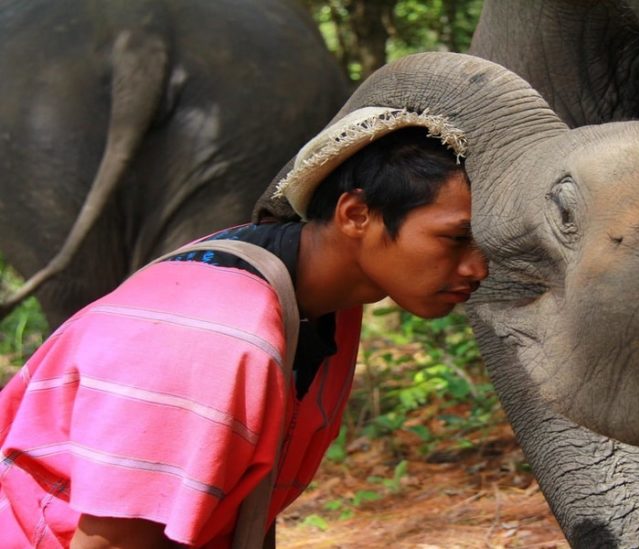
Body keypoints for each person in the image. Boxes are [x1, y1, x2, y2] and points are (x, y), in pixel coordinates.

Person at [0, 107, 488, 547]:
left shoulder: (329, 301)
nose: (478, 268)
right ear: (355, 214)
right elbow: (113, 544)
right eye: (454, 238)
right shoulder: (216, 337)